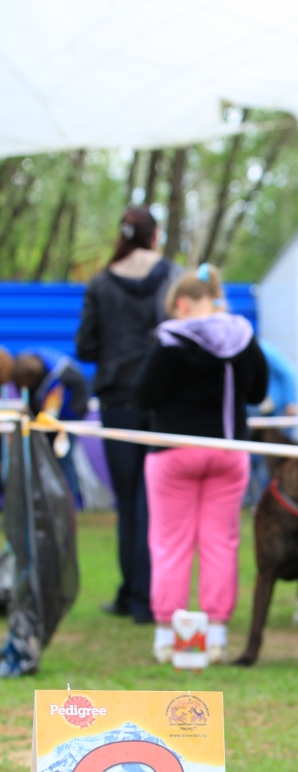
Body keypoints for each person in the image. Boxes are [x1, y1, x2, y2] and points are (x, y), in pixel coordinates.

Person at [135, 265, 267, 664]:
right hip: (228, 451)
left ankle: (167, 636)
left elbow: (144, 396)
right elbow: (258, 390)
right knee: (220, 544)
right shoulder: (242, 336)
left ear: (181, 304)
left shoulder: (170, 340)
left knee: (171, 544)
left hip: (173, 451)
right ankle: (215, 636)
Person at [76, 206, 179, 623]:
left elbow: (85, 347)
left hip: (118, 402)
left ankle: (131, 596)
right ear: (154, 236)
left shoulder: (101, 284)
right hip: (161, 402)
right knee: (153, 503)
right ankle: (148, 598)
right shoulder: (174, 277)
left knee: (128, 502)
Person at [12, 347, 89, 505]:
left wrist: (68, 418)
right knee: (44, 458)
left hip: (67, 419)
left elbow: (79, 399)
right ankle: (47, 501)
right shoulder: (25, 366)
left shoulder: (60, 374)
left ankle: (69, 503)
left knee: (63, 458)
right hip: (45, 420)